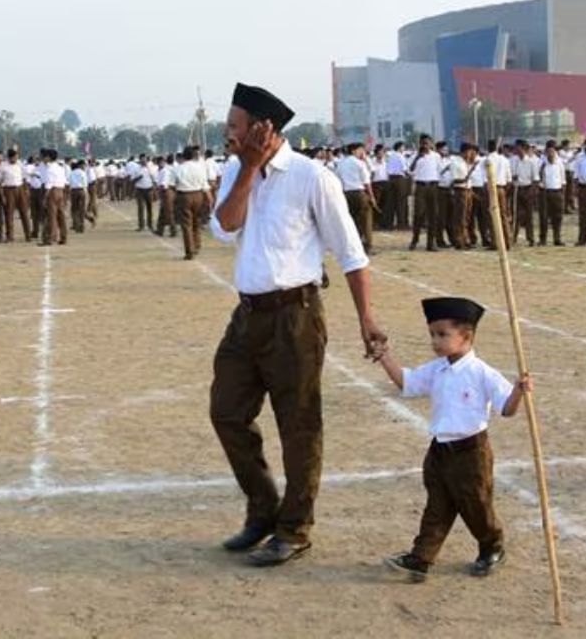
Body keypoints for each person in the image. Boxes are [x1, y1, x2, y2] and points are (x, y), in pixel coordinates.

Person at [209, 82, 385, 567]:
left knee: (299, 425)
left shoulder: (313, 178)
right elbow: (224, 228)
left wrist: (366, 317)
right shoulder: (234, 169)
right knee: (226, 411)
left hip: (296, 317)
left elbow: (351, 254)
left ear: (262, 129)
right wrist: (247, 169)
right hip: (247, 316)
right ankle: (264, 509)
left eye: (234, 127)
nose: (227, 134)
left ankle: (294, 528)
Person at [374, 297, 529, 581]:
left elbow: (507, 409)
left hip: (471, 452)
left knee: (476, 504)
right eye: (433, 334)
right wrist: (385, 356)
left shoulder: (482, 373)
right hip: (439, 450)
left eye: (443, 334)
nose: (435, 341)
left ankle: (491, 545)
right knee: (437, 506)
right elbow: (406, 382)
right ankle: (421, 558)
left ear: (466, 336)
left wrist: (519, 391)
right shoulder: (437, 369)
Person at [173, 146, 214, 260]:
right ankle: (197, 245)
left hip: (184, 195)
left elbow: (172, 184)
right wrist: (210, 199)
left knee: (186, 225)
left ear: (184, 156)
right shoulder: (200, 168)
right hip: (198, 195)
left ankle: (189, 251)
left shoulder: (178, 169)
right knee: (197, 222)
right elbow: (205, 185)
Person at [408, 135, 442, 252]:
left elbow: (439, 171)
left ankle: (431, 242)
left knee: (433, 215)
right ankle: (415, 239)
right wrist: (418, 157)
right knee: (419, 214)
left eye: (427, 143)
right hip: (421, 186)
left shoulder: (436, 156)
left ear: (431, 144)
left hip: (432, 186)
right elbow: (410, 170)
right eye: (423, 143)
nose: (425, 146)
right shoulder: (415, 156)